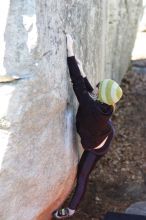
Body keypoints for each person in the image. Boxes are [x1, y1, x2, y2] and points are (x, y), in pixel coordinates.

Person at [53, 34, 123, 219]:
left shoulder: (94, 108)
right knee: (81, 173)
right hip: (103, 131)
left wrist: (70, 52)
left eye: (101, 88)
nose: (97, 88)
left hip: (98, 146)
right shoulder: (105, 104)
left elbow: (79, 86)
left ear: (103, 95)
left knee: (83, 176)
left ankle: (71, 209)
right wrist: (83, 72)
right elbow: (91, 93)